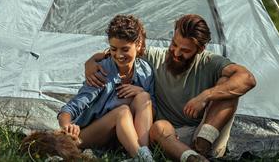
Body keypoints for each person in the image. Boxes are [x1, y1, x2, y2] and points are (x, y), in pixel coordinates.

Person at [85, 14, 256, 162]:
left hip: (205, 133)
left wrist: (205, 96)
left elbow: (247, 78)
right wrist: (91, 61)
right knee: (159, 126)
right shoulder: (155, 57)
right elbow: (122, 51)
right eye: (174, 44)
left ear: (200, 49)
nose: (176, 52)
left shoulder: (210, 62)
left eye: (185, 50)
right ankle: (193, 158)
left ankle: (202, 146)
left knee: (229, 83)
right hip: (166, 136)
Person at [58, 15, 155, 161]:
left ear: (139, 44)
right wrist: (67, 127)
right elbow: (69, 109)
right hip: (90, 134)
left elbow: (152, 110)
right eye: (114, 49)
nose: (119, 55)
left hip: (121, 138)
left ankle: (143, 154)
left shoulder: (145, 71)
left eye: (125, 49)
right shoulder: (101, 71)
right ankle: (142, 158)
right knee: (122, 112)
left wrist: (141, 91)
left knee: (144, 97)